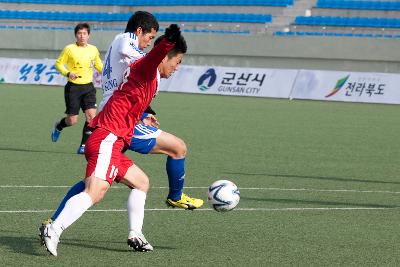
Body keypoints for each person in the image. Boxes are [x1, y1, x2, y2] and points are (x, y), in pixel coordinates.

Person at [41, 24, 186, 256]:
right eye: (177, 62)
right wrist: (167, 41)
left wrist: (144, 116)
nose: (177, 68)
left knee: (141, 182)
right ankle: (54, 229)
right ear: (165, 57)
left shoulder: (151, 78)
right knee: (95, 192)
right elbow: (153, 57)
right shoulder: (147, 67)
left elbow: (130, 101)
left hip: (112, 141)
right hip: (108, 137)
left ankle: (135, 234)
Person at [52, 22, 103, 154]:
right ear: (76, 35)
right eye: (79, 33)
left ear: (88, 35)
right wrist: (68, 73)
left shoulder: (93, 49)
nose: (82, 36)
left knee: (92, 117)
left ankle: (83, 146)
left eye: (84, 33)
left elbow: (99, 65)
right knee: (72, 120)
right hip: (73, 88)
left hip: (89, 87)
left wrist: (109, 73)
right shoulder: (69, 49)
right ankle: (59, 126)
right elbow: (58, 64)